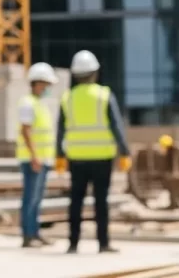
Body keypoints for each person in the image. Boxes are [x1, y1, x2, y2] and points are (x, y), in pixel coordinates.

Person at [54, 50, 131, 255]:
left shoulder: (67, 98)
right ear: (95, 73)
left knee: (76, 201)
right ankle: (103, 244)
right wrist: (124, 152)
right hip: (101, 157)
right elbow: (116, 126)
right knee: (101, 202)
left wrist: (59, 155)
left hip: (76, 157)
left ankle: (73, 243)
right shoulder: (104, 95)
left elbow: (60, 129)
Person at [17, 62, 59, 248]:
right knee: (30, 198)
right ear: (37, 83)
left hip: (42, 159)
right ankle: (28, 235)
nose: (48, 88)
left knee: (37, 199)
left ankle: (35, 232)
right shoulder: (28, 103)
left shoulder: (39, 104)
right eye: (46, 84)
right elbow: (26, 131)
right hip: (33, 159)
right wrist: (34, 156)